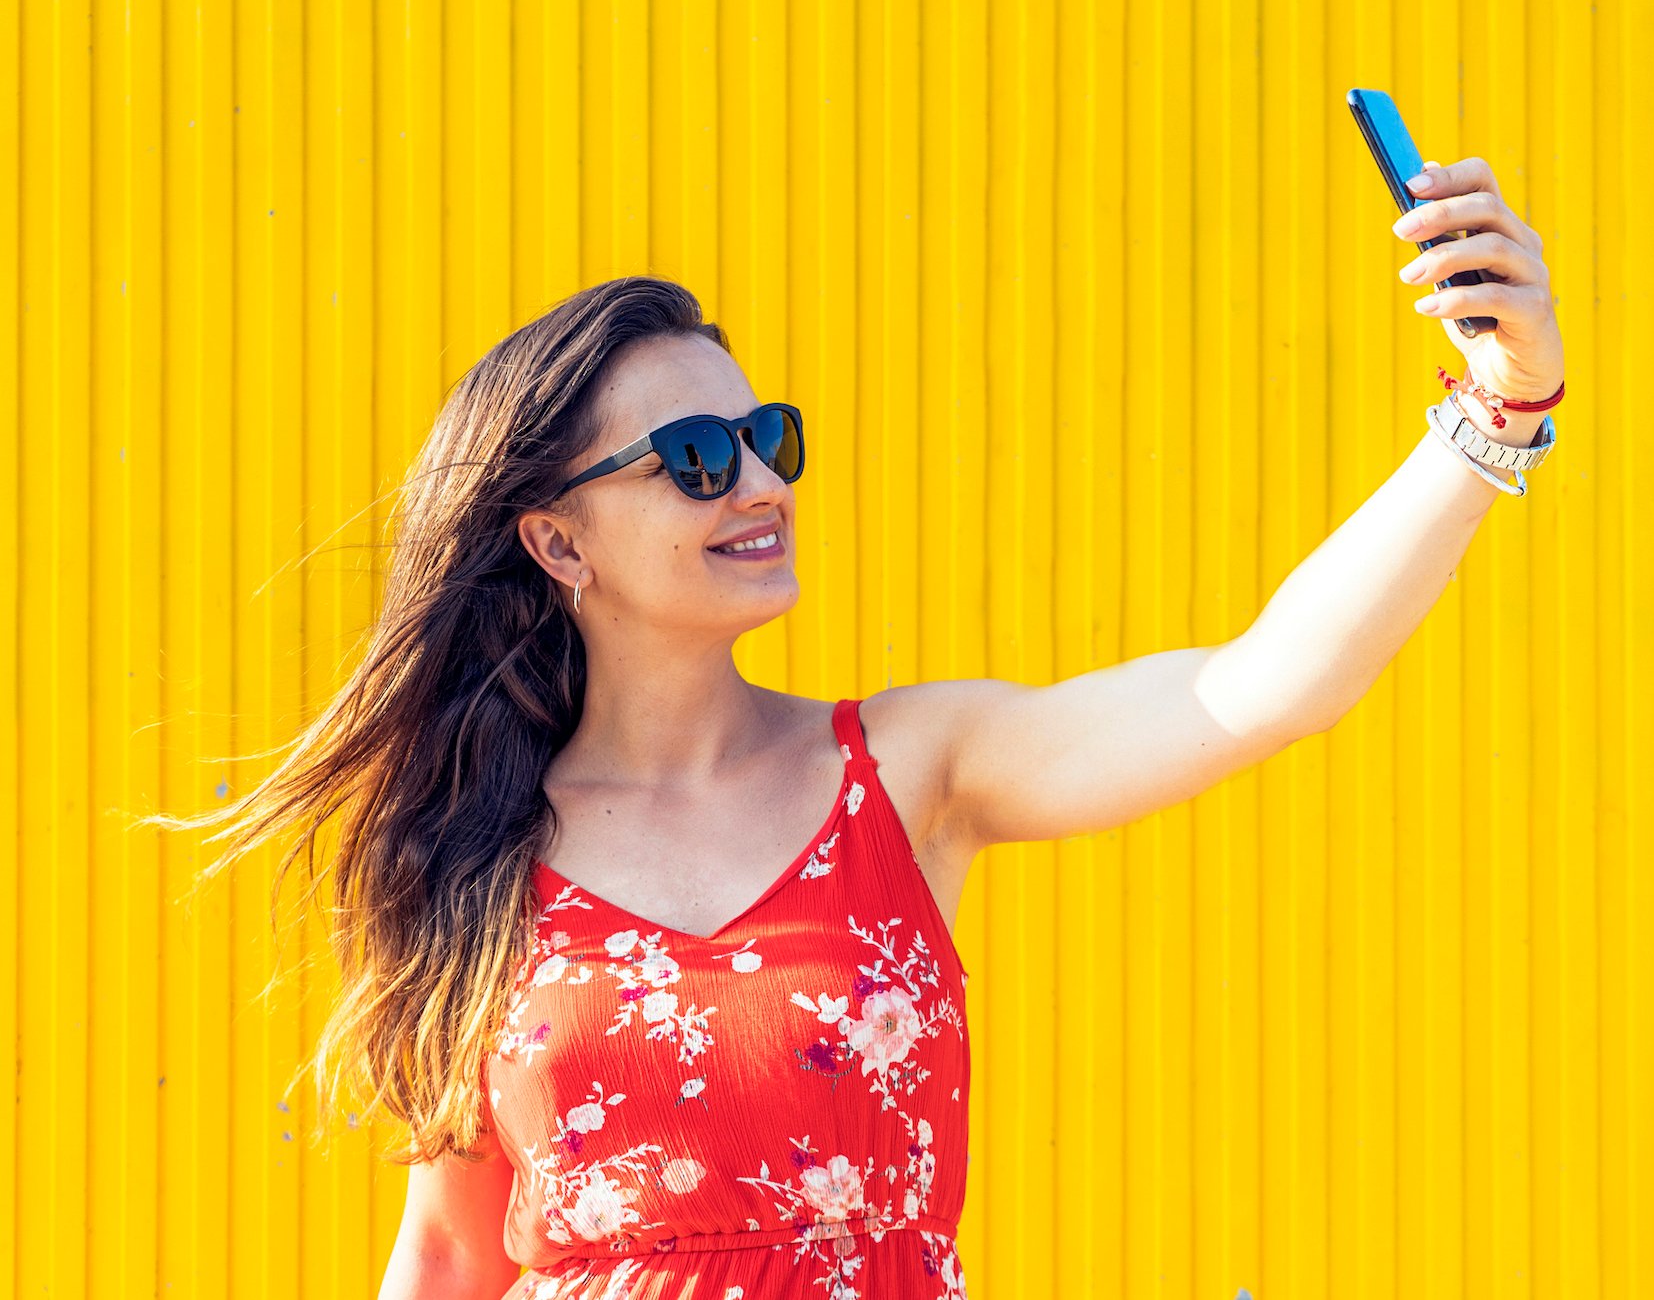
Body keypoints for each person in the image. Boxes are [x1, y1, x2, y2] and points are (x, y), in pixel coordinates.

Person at [154, 155, 1563, 1300]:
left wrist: (1496, 406)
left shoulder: (903, 773)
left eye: (769, 436)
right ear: (558, 542)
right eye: (698, 459)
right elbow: (455, 1250)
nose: (759, 480)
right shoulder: (475, 854)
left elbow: (1265, 683)